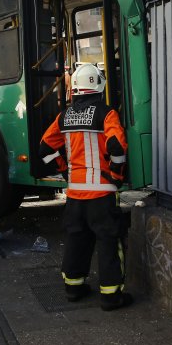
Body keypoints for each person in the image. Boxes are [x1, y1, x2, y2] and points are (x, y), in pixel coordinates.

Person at [38, 63, 132, 311]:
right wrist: (116, 174)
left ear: (76, 90)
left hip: (75, 194)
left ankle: (74, 288)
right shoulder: (107, 114)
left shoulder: (65, 116)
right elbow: (117, 147)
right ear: (99, 86)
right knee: (108, 242)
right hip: (102, 193)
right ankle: (111, 296)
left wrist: (62, 169)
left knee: (75, 240)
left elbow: (45, 148)